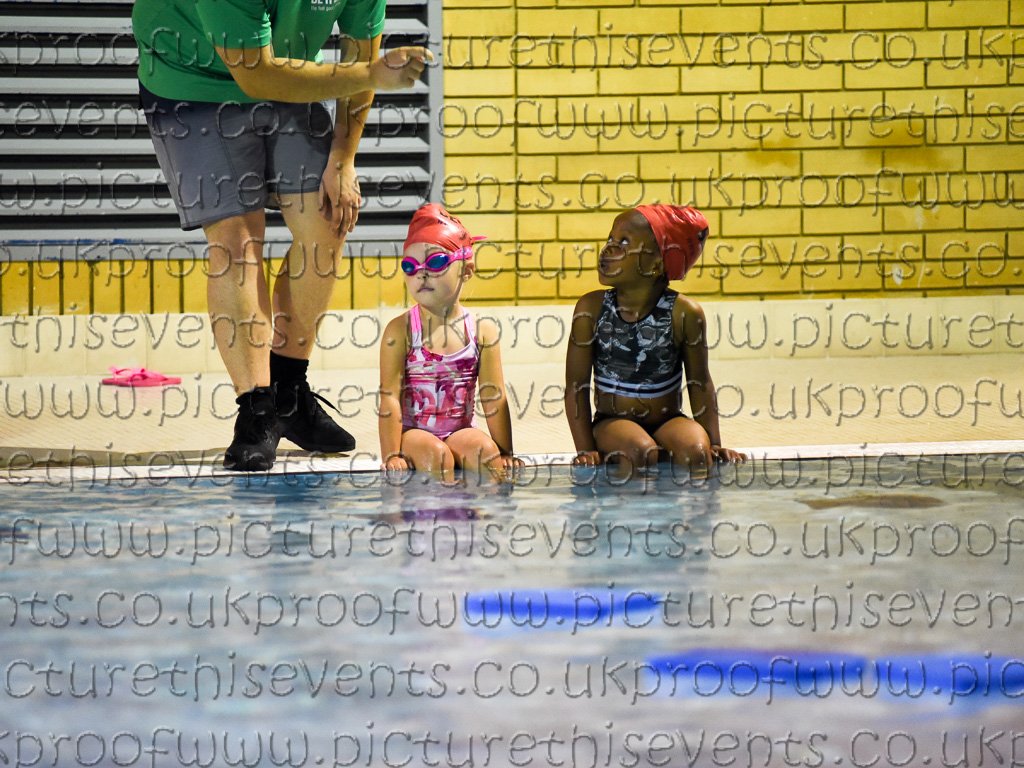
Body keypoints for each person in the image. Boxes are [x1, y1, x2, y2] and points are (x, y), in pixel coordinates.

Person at [131, 0, 432, 471]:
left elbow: (360, 57)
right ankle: (256, 410)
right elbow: (259, 75)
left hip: (289, 75)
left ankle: (288, 393)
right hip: (193, 81)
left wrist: (342, 160)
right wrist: (372, 74)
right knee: (236, 240)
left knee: (328, 220)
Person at [564, 205, 745, 476]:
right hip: (612, 422)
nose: (608, 248)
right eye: (610, 239)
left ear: (656, 263)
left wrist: (714, 444)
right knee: (640, 450)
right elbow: (576, 386)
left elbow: (699, 382)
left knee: (697, 452)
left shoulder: (684, 314)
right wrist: (585, 449)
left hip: (668, 419)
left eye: (624, 242)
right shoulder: (591, 309)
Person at [378, 204, 518, 483]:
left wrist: (506, 452)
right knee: (437, 456)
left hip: (460, 431)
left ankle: (485, 509)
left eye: (436, 262)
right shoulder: (401, 330)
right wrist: (391, 455)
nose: (421, 273)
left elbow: (493, 396)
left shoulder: (481, 331)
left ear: (467, 270)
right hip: (414, 434)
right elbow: (390, 396)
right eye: (410, 266)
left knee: (487, 455)